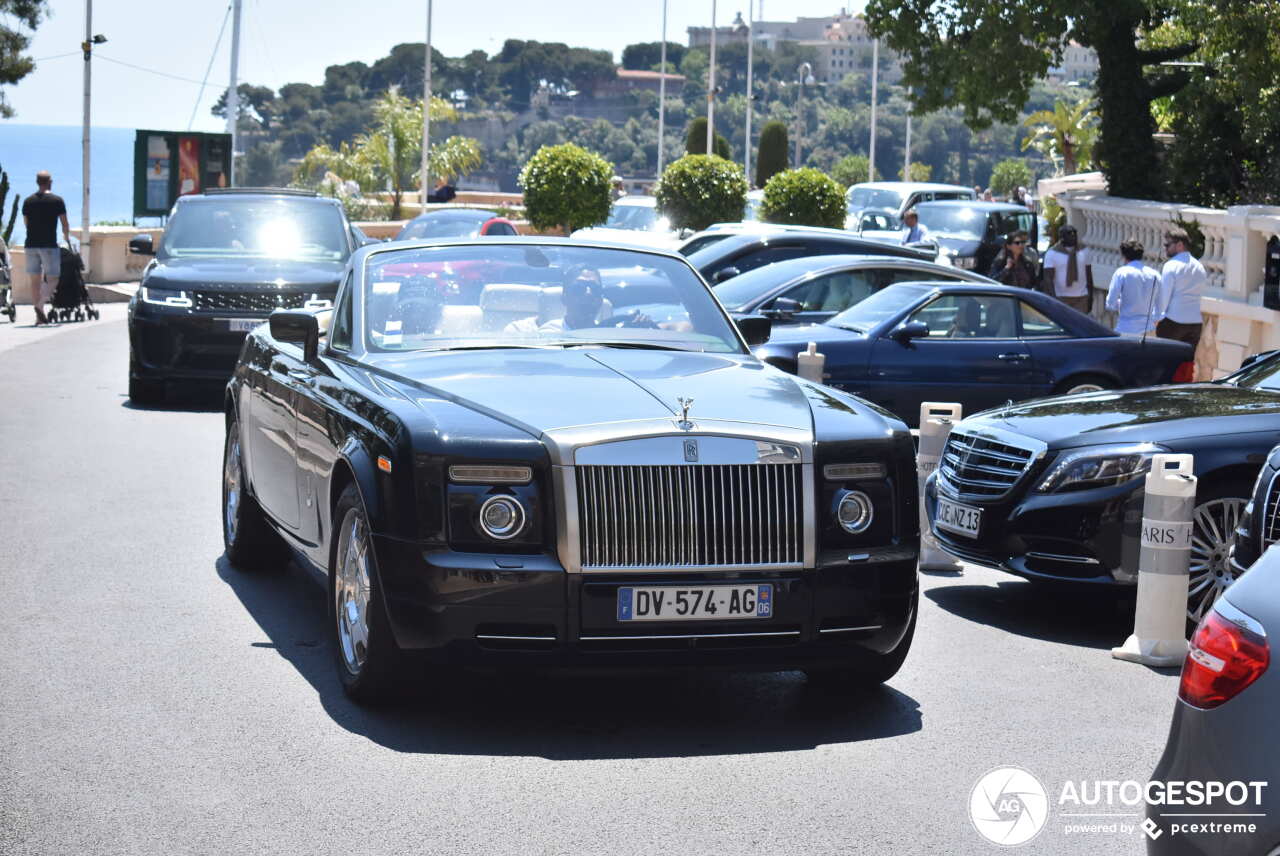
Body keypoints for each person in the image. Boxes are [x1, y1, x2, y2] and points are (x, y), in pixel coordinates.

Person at [22, 170, 69, 325]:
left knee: (35, 280)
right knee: (53, 278)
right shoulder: (57, 201)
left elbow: (26, 223)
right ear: (50, 182)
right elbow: (64, 223)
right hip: (49, 245)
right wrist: (66, 237)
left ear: (37, 182)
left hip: (30, 245)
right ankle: (40, 305)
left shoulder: (28, 201)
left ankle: (39, 318)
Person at [505, 265, 605, 334]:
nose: (588, 293)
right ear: (564, 299)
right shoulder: (550, 334)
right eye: (579, 288)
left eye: (595, 289)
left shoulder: (609, 335)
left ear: (600, 300)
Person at [1155, 227, 1207, 348]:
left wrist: (1157, 318)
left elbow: (1164, 297)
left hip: (1173, 321)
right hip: (1195, 323)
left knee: (1166, 362)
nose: (1165, 249)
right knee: (1186, 364)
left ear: (1179, 245)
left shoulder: (1171, 265)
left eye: (1168, 245)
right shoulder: (1200, 267)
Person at [1104, 238, 1161, 336]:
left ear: (1123, 255)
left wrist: (1120, 303)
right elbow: (1160, 305)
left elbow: (1110, 304)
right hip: (1148, 329)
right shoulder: (1155, 274)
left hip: (1126, 328)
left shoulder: (1121, 273)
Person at [1041, 224, 1093, 314]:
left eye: (1074, 232)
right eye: (1069, 233)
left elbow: (1088, 274)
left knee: (1079, 325)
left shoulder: (1084, 251)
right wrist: (1053, 298)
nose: (1073, 235)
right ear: (1062, 237)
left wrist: (1090, 296)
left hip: (1081, 297)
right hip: (1061, 297)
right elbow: (1048, 278)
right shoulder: (1052, 253)